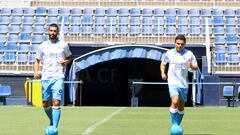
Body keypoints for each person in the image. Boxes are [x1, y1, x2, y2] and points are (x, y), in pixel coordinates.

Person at [34, 23, 72, 129]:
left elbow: (70, 58)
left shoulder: (63, 45)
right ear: (48, 31)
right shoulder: (42, 46)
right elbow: (37, 60)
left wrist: (65, 61)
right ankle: (52, 120)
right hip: (45, 77)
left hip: (58, 76)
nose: (53, 33)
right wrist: (35, 72)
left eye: (55, 31)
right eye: (51, 30)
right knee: (45, 103)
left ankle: (55, 127)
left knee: (56, 101)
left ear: (58, 32)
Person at [160, 35, 198, 126]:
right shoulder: (169, 53)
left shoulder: (189, 54)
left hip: (184, 83)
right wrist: (163, 73)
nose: (179, 46)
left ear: (185, 44)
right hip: (173, 81)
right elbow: (163, 64)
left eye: (182, 44)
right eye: (178, 44)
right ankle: (174, 125)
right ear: (175, 43)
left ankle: (177, 125)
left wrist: (191, 66)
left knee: (181, 106)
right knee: (175, 101)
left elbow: (195, 67)